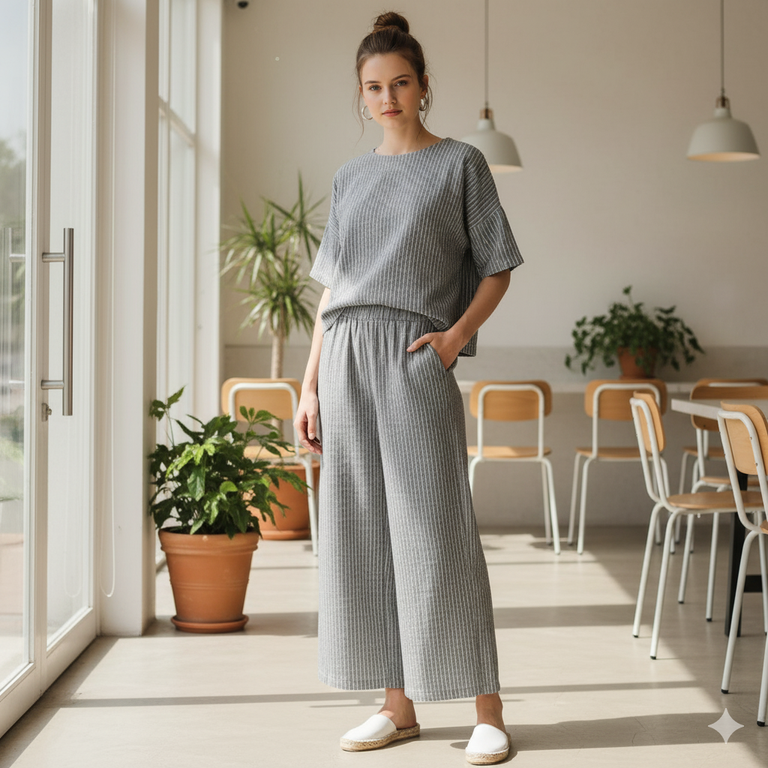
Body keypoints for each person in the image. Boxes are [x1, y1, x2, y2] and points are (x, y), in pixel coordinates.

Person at [294, 11, 523, 766]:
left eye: (399, 83)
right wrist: (308, 385)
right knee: (361, 533)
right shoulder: (350, 177)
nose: (387, 96)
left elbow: (497, 265)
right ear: (360, 96)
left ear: (424, 86)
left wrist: (454, 339)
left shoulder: (461, 164)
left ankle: (487, 707)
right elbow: (332, 292)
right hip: (346, 357)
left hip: (412, 354)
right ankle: (398, 706)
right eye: (373, 87)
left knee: (436, 529)